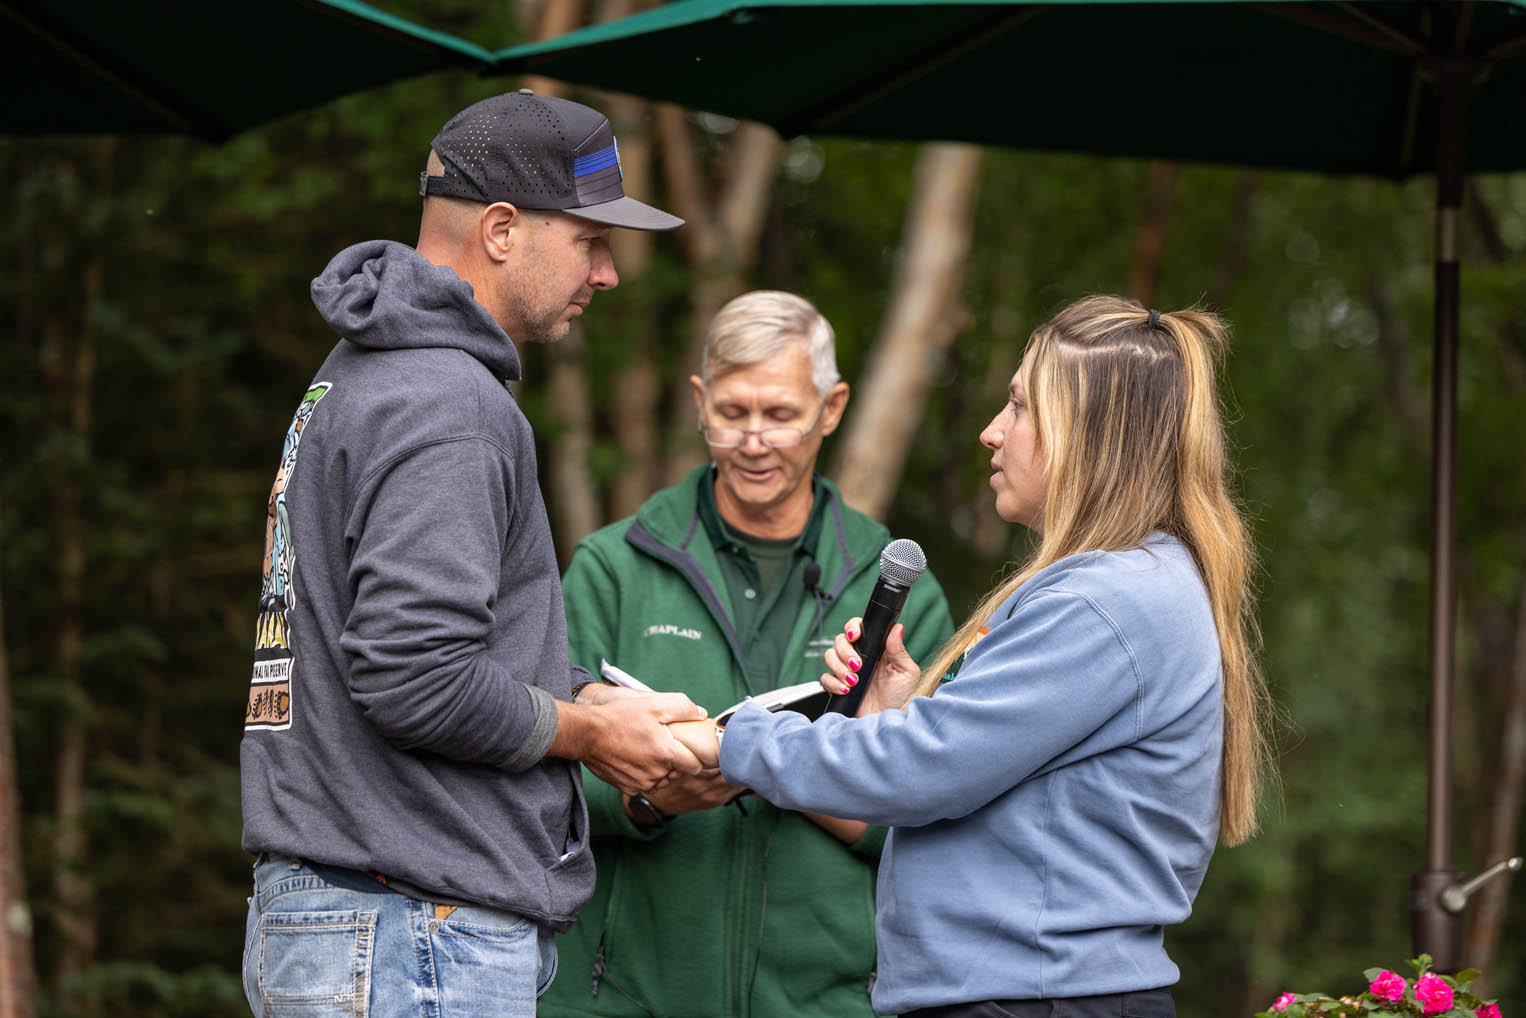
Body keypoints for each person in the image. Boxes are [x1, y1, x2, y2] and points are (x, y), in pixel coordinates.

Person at [239, 90, 710, 1018]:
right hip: (413, 935)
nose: (608, 274)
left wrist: (586, 694)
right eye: (589, 241)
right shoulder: (449, 404)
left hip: (361, 925)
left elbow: (398, 643)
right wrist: (592, 737)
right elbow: (412, 675)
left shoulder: (362, 369)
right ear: (501, 228)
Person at [675, 295, 1274, 1018]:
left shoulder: (1105, 600)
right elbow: (987, 773)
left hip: (1033, 1000)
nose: (993, 432)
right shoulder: (1131, 583)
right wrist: (900, 714)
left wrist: (727, 738)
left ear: (1091, 434)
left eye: (1021, 408)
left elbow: (923, 771)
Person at [540, 290, 954, 1018]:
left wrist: (784, 766)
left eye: (781, 415)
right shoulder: (611, 567)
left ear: (831, 409)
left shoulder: (900, 592)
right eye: (732, 414)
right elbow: (544, 782)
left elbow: (941, 813)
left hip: (828, 1003)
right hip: (625, 997)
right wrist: (647, 798)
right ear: (699, 403)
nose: (754, 441)